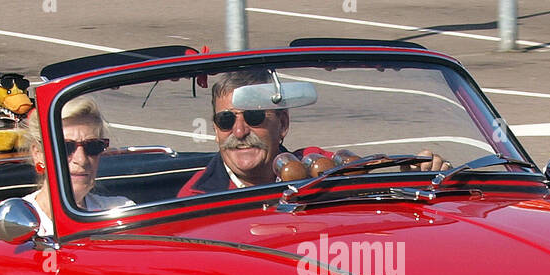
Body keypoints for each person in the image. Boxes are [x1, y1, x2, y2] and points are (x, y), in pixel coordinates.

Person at [178, 69, 447, 196]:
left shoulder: (316, 165)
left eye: (254, 116)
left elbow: (362, 184)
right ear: (216, 130)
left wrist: (416, 175)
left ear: (282, 124)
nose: (239, 130)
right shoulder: (195, 197)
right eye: (226, 120)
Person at [0, 96, 131, 236]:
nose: (81, 160)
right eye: (65, 147)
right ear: (38, 154)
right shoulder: (2, 224)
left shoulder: (120, 213)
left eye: (93, 146)